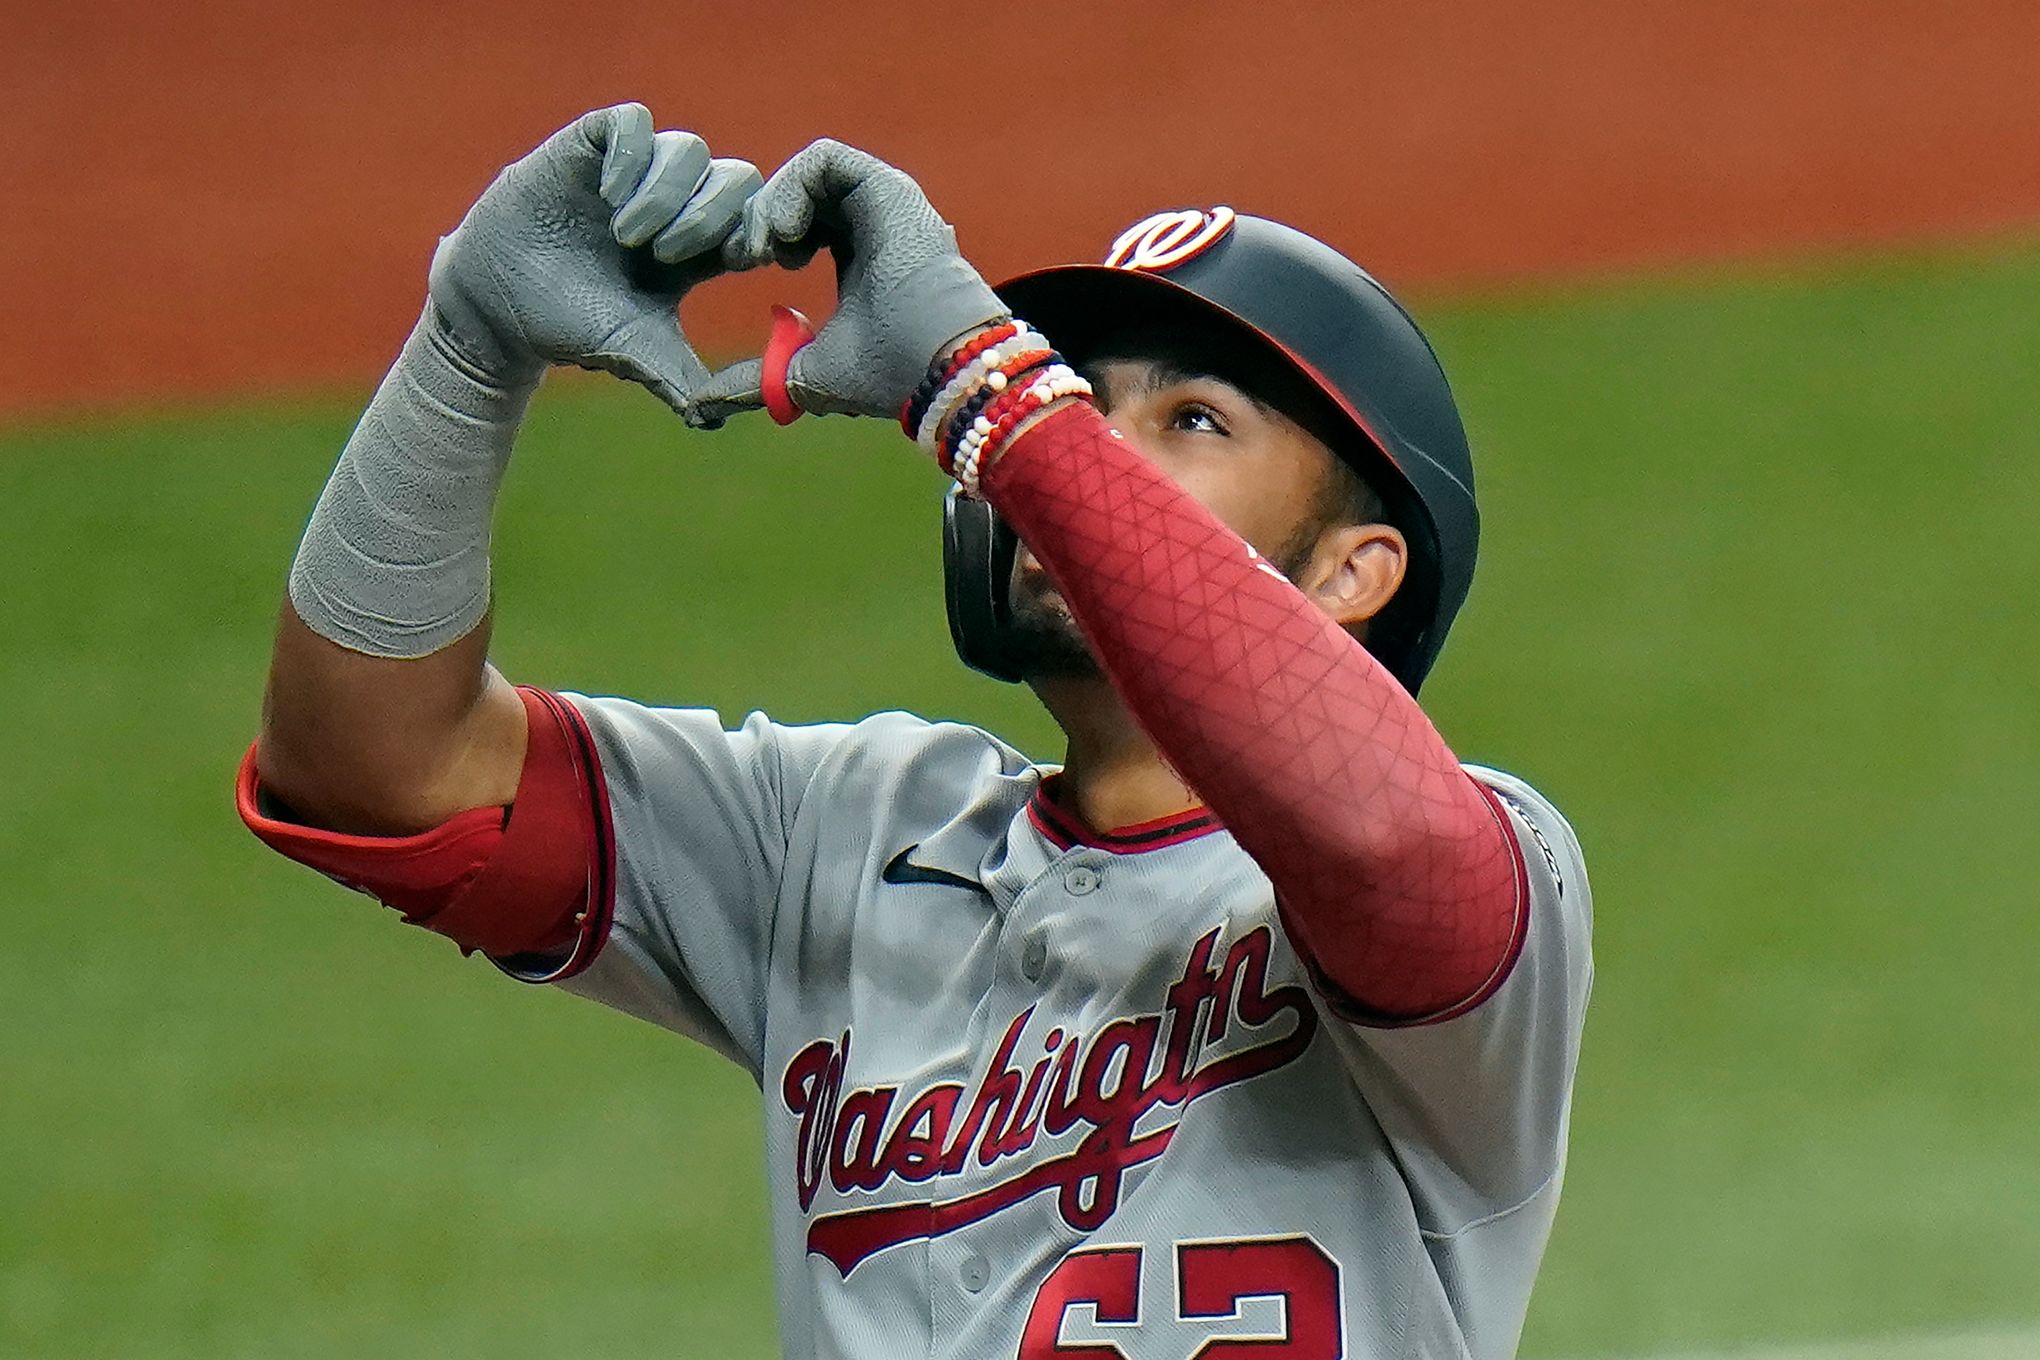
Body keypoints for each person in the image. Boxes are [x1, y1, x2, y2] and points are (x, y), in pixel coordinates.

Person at [239, 102, 1593, 1359]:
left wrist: (996, 397)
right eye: (1080, 396)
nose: (1096, 451)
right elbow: (377, 772)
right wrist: (467, 354)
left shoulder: (1490, 882)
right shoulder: (839, 833)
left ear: (1353, 573)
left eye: (1188, 419)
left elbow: (1381, 835)